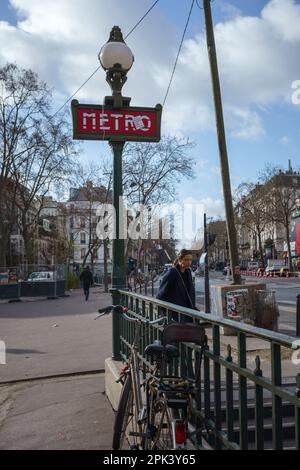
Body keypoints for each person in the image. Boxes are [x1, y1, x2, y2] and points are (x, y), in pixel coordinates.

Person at [156, 249, 196, 323]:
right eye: (186, 260)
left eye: (190, 260)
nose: (189, 262)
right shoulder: (172, 272)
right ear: (179, 260)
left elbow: (189, 292)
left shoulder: (188, 272)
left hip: (187, 313)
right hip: (175, 314)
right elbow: (161, 295)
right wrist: (163, 312)